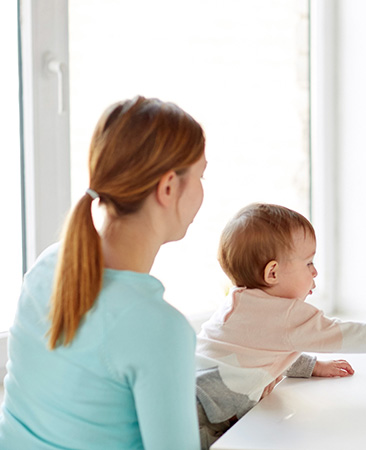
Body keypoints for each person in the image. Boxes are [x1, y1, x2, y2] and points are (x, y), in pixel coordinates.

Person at [0, 97, 206, 449]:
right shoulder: (159, 329)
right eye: (201, 175)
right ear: (168, 187)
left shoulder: (47, 268)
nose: (203, 191)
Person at [195, 203, 366, 449]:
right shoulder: (285, 314)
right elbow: (345, 335)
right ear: (273, 273)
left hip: (190, 391)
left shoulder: (240, 302)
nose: (315, 272)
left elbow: (268, 349)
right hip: (204, 415)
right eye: (308, 263)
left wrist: (312, 366)